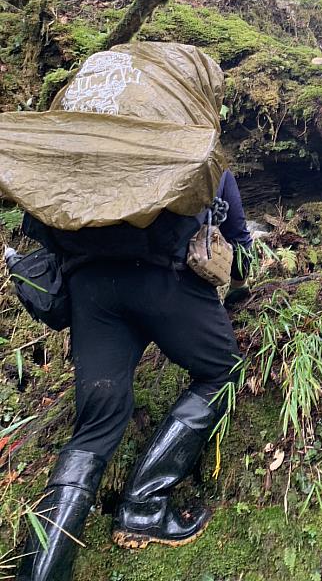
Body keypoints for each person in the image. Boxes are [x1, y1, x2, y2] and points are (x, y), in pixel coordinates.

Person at [17, 169, 252, 581]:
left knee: (94, 429)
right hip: (163, 280)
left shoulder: (87, 162)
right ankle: (143, 506)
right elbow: (241, 253)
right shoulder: (195, 155)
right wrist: (239, 280)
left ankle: (36, 573)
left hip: (91, 290)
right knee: (223, 372)